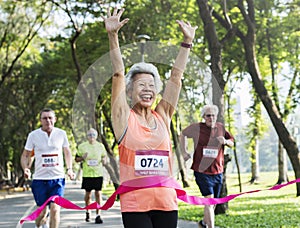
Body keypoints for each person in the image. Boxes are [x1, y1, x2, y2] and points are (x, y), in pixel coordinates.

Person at [102, 7, 197, 228]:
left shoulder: (163, 114)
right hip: (135, 204)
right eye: (141, 85)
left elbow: (176, 77)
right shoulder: (123, 118)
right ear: (129, 91)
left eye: (152, 85)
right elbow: (118, 73)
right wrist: (112, 36)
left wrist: (187, 43)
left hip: (166, 202)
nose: (147, 89)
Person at [179, 104, 234, 228]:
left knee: (212, 203)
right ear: (203, 117)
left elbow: (231, 142)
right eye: (208, 116)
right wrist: (184, 151)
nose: (211, 118)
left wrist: (225, 141)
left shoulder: (221, 128)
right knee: (209, 201)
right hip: (201, 171)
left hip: (218, 171)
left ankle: (203, 223)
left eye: (213, 115)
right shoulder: (197, 128)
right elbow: (182, 134)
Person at [21, 108, 75, 228]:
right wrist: (26, 168)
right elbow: (25, 155)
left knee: (55, 209)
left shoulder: (61, 134)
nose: (48, 120)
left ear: (55, 119)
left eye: (50, 118)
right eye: (45, 118)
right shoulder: (33, 135)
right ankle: (39, 225)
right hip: (40, 179)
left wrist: (70, 169)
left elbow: (67, 152)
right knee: (42, 212)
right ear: (40, 120)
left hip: (57, 179)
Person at [75, 128, 106, 224]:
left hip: (98, 173)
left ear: (96, 136)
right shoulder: (82, 146)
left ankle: (98, 214)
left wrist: (105, 160)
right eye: (89, 135)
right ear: (87, 136)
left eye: (93, 135)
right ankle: (88, 211)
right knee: (88, 195)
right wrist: (82, 158)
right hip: (87, 174)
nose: (91, 136)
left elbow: (104, 157)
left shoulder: (100, 146)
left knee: (98, 194)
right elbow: (76, 159)